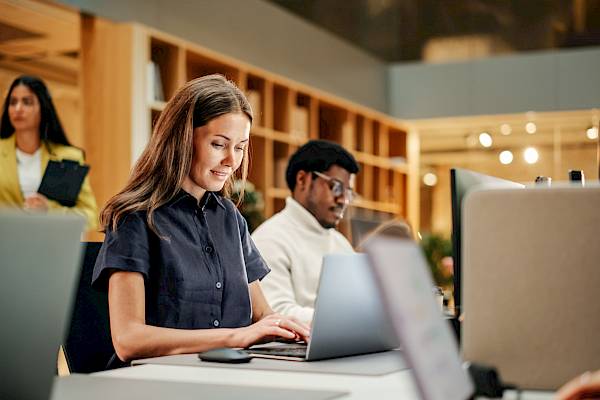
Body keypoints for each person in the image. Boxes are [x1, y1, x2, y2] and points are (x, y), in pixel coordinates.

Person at [92, 74, 309, 363]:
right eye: (219, 145)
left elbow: (262, 315)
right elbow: (129, 340)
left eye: (240, 147)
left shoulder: (230, 218)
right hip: (157, 382)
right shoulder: (135, 218)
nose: (232, 161)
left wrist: (300, 332)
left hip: (226, 375)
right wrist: (234, 337)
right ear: (182, 140)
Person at [252, 140, 360, 322]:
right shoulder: (269, 239)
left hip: (342, 342)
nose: (344, 200)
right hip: (298, 347)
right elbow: (275, 314)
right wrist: (347, 320)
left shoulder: (340, 242)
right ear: (302, 180)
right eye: (336, 187)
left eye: (348, 192)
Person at [0, 75, 97, 229]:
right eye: (13, 102)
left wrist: (49, 211)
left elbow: (90, 216)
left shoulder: (68, 157)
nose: (18, 108)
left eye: (27, 102)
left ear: (43, 108)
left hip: (51, 245)